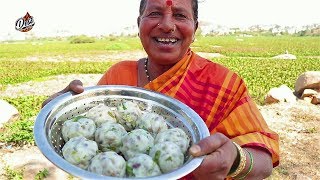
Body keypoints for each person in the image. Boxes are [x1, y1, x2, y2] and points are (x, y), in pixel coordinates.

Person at [42, 0, 279, 179]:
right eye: (155, 13)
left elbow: (264, 161)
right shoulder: (117, 77)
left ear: (194, 27)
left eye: (180, 15)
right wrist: (59, 114)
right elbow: (90, 133)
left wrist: (236, 160)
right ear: (139, 24)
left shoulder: (223, 83)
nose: (166, 25)